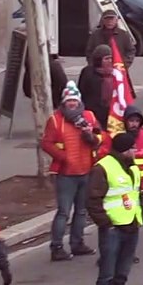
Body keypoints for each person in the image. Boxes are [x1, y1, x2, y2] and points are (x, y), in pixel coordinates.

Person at [41, 81, 102, 262]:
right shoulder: (55, 120)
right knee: (64, 212)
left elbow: (101, 137)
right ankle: (57, 246)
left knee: (81, 211)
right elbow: (46, 143)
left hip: (86, 170)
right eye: (69, 101)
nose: (72, 104)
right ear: (64, 102)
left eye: (75, 100)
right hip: (66, 174)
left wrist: (90, 136)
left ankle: (77, 243)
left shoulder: (88, 117)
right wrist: (63, 157)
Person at [87, 131, 142, 285]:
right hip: (113, 230)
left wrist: (138, 217)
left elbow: (135, 196)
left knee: (121, 277)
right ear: (125, 150)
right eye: (133, 149)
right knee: (106, 278)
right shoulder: (103, 168)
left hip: (131, 227)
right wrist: (106, 224)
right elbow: (93, 200)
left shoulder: (133, 168)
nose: (136, 151)